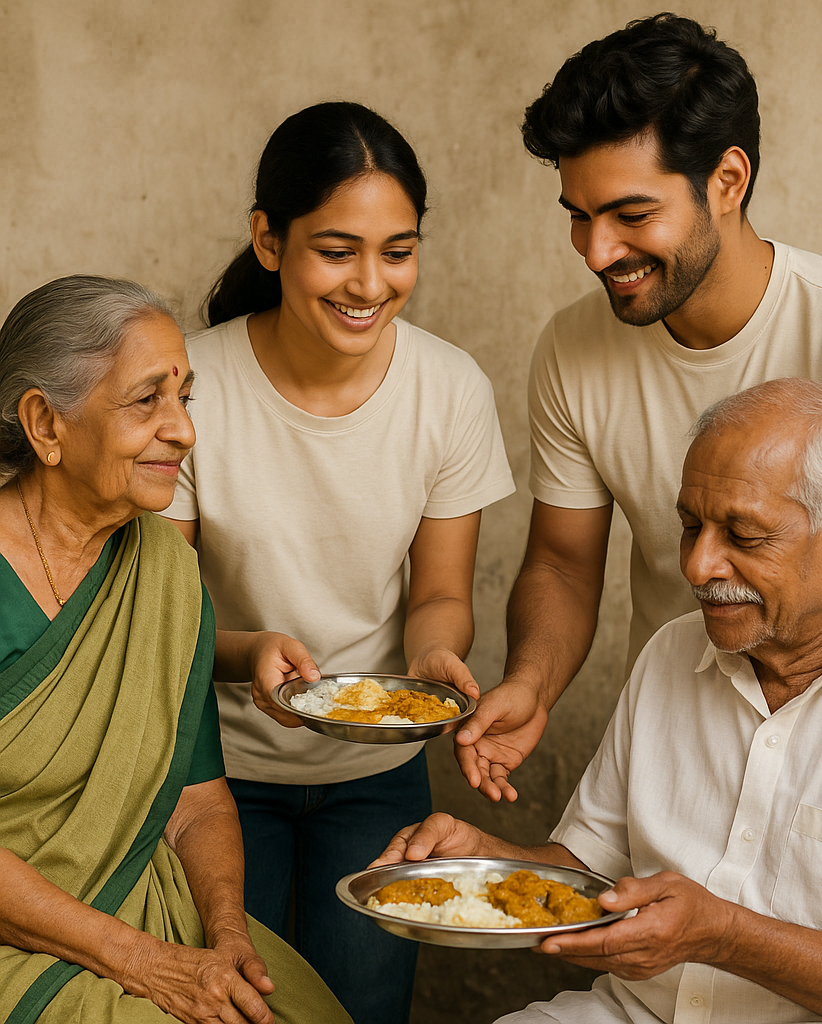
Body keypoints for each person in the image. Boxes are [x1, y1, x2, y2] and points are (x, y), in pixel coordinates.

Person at [379, 378, 822, 1024]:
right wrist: (487, 865)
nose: (699, 566)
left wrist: (725, 936)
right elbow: (591, 873)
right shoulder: (671, 653)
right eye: (691, 526)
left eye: (742, 536)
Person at [455, 12, 822, 802]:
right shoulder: (571, 349)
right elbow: (563, 562)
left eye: (631, 215)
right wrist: (533, 684)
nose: (596, 252)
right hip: (676, 746)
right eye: (579, 216)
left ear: (728, 180)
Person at [163, 101, 514, 1023]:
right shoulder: (188, 388)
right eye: (336, 249)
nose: (370, 282)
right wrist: (245, 656)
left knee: (359, 1009)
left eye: (397, 251)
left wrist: (436, 661)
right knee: (236, 1003)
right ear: (269, 243)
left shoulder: (450, 390)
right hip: (216, 770)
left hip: (377, 775)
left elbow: (439, 592)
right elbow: (157, 611)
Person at [0, 276, 349, 1024]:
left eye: (184, 398)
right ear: (45, 424)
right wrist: (146, 964)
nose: (184, 431)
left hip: (145, 899)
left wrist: (224, 938)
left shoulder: (162, 568)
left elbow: (194, 803)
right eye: (146, 400)